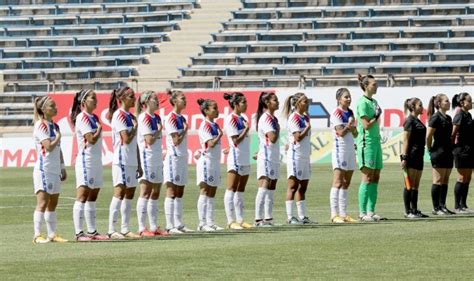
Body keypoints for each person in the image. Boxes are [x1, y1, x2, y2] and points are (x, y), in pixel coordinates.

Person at [70, 89, 108, 241]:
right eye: (93, 98)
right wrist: (99, 129)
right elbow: (90, 139)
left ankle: (92, 231)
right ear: (84, 102)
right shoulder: (82, 117)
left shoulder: (94, 117)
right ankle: (79, 233)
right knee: (82, 195)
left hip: (96, 160)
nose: (96, 101)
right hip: (86, 161)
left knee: (93, 195)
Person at [107, 87, 142, 239]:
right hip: (121, 160)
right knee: (119, 193)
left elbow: (135, 143)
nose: (134, 99)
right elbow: (126, 139)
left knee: (129, 194)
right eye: (130, 96)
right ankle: (111, 229)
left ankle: (125, 228)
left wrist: (139, 163)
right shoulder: (119, 115)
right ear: (121, 99)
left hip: (132, 161)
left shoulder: (131, 116)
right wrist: (135, 128)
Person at [32, 96, 68, 243]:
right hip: (44, 170)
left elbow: (58, 150)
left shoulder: (55, 125)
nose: (55, 108)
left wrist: (62, 167)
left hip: (54, 170)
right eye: (52, 106)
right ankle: (37, 235)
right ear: (43, 109)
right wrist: (58, 138)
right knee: (42, 203)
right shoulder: (41, 126)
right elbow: (48, 146)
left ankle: (52, 234)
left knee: (53, 203)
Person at [135, 91, 169, 237]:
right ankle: (142, 228)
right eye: (154, 99)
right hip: (147, 157)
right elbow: (149, 139)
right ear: (146, 102)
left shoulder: (157, 117)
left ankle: (154, 227)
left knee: (156, 191)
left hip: (156, 157)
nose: (157, 101)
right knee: (145, 191)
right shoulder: (144, 118)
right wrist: (159, 129)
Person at [282, 92, 315, 225]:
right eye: (304, 101)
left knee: (303, 186)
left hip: (305, 155)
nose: (307, 104)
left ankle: (302, 216)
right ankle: (290, 217)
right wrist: (307, 127)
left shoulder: (304, 117)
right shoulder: (293, 117)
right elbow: (298, 137)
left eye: (307, 101)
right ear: (297, 103)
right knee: (293, 186)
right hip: (296, 155)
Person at [355, 74, 384, 222]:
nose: (376, 86)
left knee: (376, 176)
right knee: (367, 177)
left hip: (376, 142)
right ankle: (362, 212)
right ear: (366, 86)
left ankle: (371, 211)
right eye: (374, 84)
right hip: (367, 144)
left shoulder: (374, 101)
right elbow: (365, 125)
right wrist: (376, 117)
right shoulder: (362, 103)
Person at [163, 90, 193, 234]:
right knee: (172, 191)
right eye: (182, 98)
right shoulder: (171, 118)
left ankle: (179, 223)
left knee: (180, 191)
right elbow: (176, 141)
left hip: (182, 156)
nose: (185, 101)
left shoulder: (181, 117)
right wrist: (185, 130)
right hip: (173, 157)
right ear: (174, 101)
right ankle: (170, 226)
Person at [223, 92, 253, 229]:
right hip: (236, 157)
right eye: (243, 102)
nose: (246, 105)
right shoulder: (231, 119)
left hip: (245, 157)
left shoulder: (243, 118)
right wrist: (246, 129)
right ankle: (230, 221)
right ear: (235, 104)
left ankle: (240, 220)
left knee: (240, 190)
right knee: (231, 189)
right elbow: (235, 141)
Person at [329, 88, 359, 223]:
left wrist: (352, 127)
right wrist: (349, 125)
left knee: (346, 182)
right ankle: (334, 214)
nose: (348, 99)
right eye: (346, 97)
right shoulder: (336, 113)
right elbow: (340, 132)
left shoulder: (350, 112)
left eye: (349, 96)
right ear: (339, 99)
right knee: (337, 181)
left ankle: (343, 213)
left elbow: (356, 133)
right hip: (340, 149)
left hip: (350, 149)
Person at [195, 98, 225, 232]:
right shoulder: (204, 125)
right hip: (206, 161)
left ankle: (210, 222)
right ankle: (202, 223)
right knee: (205, 191)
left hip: (215, 161)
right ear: (206, 111)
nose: (217, 110)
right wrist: (220, 136)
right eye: (214, 108)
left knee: (212, 191)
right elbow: (211, 144)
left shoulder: (215, 125)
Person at [400, 98, 429, 218]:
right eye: (420, 105)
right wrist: (404, 157)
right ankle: (408, 211)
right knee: (409, 184)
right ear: (413, 107)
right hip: (411, 155)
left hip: (419, 155)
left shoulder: (418, 120)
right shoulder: (409, 121)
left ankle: (415, 209)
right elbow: (405, 140)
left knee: (416, 184)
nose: (422, 107)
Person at [426, 94, 455, 215]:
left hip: (448, 152)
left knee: (445, 180)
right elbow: (428, 136)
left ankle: (443, 205)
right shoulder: (435, 117)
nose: (449, 103)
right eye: (446, 101)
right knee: (437, 180)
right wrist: (430, 149)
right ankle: (436, 207)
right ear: (439, 104)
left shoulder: (448, 118)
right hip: (438, 152)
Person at [254, 92, 280, 227]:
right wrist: (278, 129)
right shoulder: (266, 118)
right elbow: (273, 138)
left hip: (273, 156)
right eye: (275, 100)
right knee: (264, 186)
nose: (278, 102)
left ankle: (268, 218)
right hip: (266, 157)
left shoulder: (273, 118)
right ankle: (258, 219)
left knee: (271, 187)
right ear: (267, 103)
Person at [451, 92, 473, 214]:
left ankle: (464, 205)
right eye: (469, 101)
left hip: (470, 150)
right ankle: (457, 206)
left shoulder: (468, 115)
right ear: (462, 103)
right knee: (461, 177)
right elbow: (453, 134)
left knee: (468, 178)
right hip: (461, 150)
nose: (471, 103)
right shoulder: (459, 116)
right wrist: (453, 148)